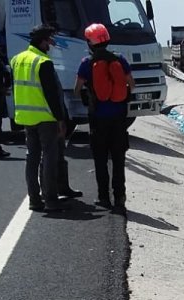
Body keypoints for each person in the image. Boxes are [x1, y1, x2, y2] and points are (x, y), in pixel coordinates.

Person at [11, 24, 82, 212]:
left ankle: (34, 200)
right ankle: (51, 199)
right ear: (42, 41)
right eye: (49, 40)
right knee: (49, 158)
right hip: (45, 117)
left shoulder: (17, 60)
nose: (51, 43)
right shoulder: (43, 62)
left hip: (26, 116)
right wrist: (61, 119)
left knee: (31, 158)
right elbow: (52, 95)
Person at [75, 23, 134, 216]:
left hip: (98, 120)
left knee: (100, 159)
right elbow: (131, 84)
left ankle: (103, 198)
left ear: (90, 43)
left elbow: (77, 89)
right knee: (118, 159)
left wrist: (86, 95)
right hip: (119, 119)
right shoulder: (120, 59)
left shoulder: (86, 62)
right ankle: (120, 198)